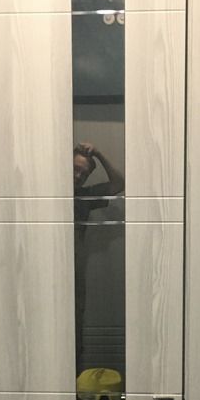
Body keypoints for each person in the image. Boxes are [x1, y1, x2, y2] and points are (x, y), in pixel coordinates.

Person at [73, 143, 124, 368]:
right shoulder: (42, 193)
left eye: (84, 174)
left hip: (74, 275)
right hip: (41, 271)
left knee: (74, 327)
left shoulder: (84, 197)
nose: (78, 176)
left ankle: (75, 378)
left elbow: (118, 184)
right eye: (75, 169)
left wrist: (100, 154)